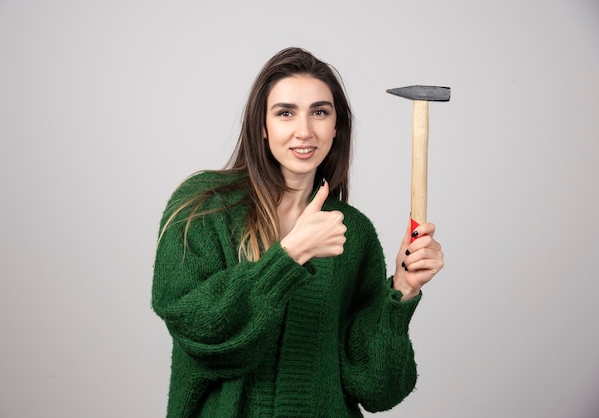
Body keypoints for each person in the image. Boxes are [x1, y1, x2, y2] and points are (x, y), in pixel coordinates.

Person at [152, 47, 444, 417]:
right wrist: (289, 256)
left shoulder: (351, 231)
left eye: (319, 112)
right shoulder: (204, 206)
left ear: (336, 127)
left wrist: (402, 289)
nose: (304, 131)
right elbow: (197, 329)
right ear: (262, 124)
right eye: (285, 113)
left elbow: (376, 388)